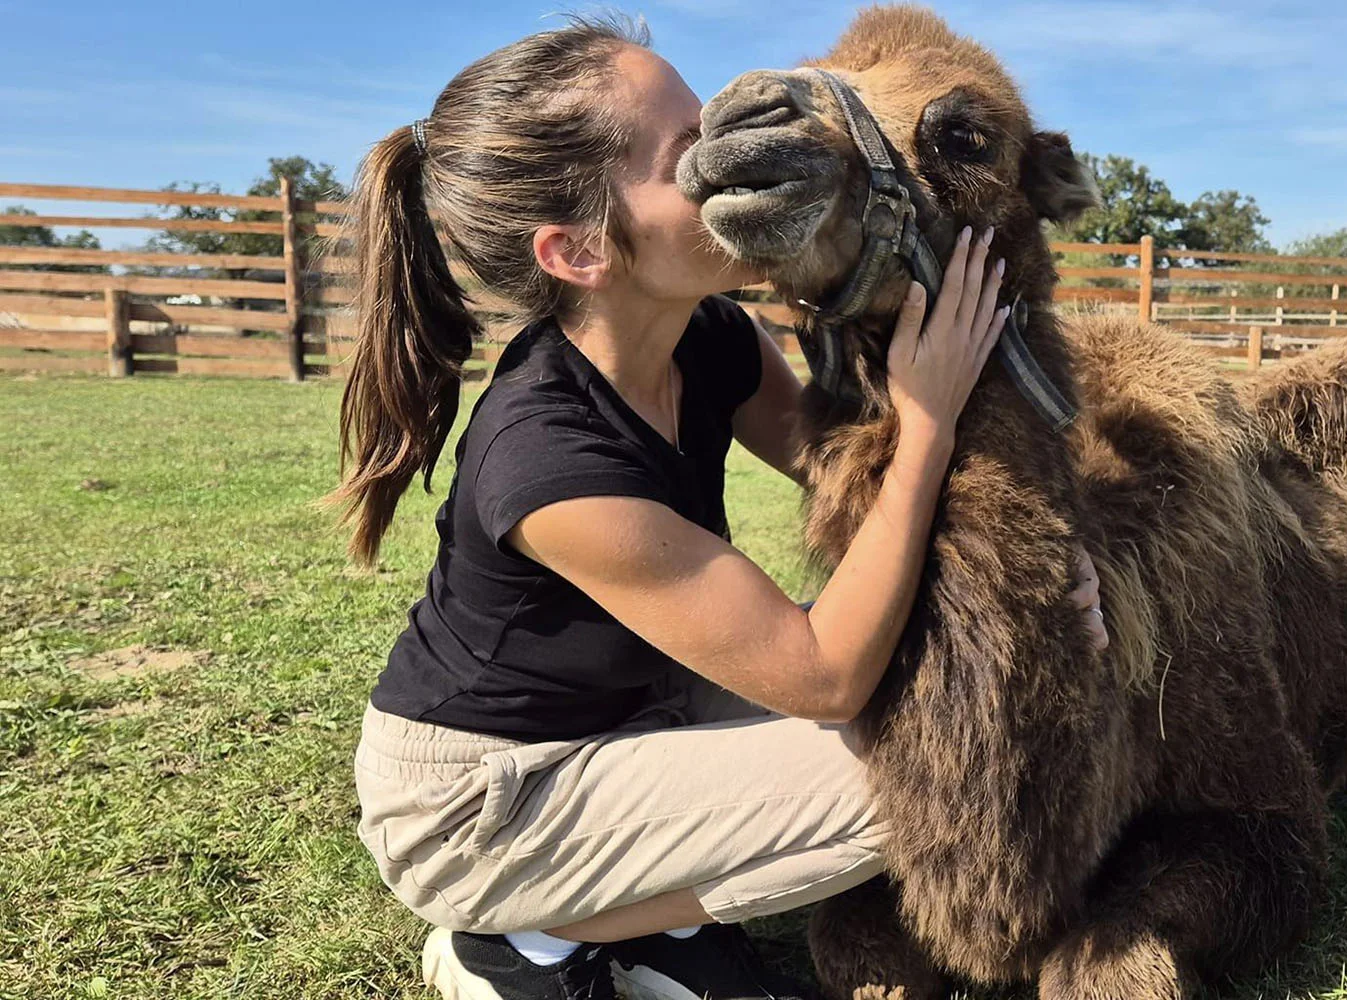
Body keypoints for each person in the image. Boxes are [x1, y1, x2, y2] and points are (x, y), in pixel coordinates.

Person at [328, 14, 1107, 1000]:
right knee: (949, 777)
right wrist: (926, 423)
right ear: (576, 251)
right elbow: (822, 674)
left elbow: (834, 476)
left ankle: (659, 908)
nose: (730, 155)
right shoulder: (550, 460)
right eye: (685, 157)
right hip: (484, 802)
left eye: (710, 125)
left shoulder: (711, 339)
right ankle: (518, 929)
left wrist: (1035, 567)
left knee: (963, 712)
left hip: (640, 710)